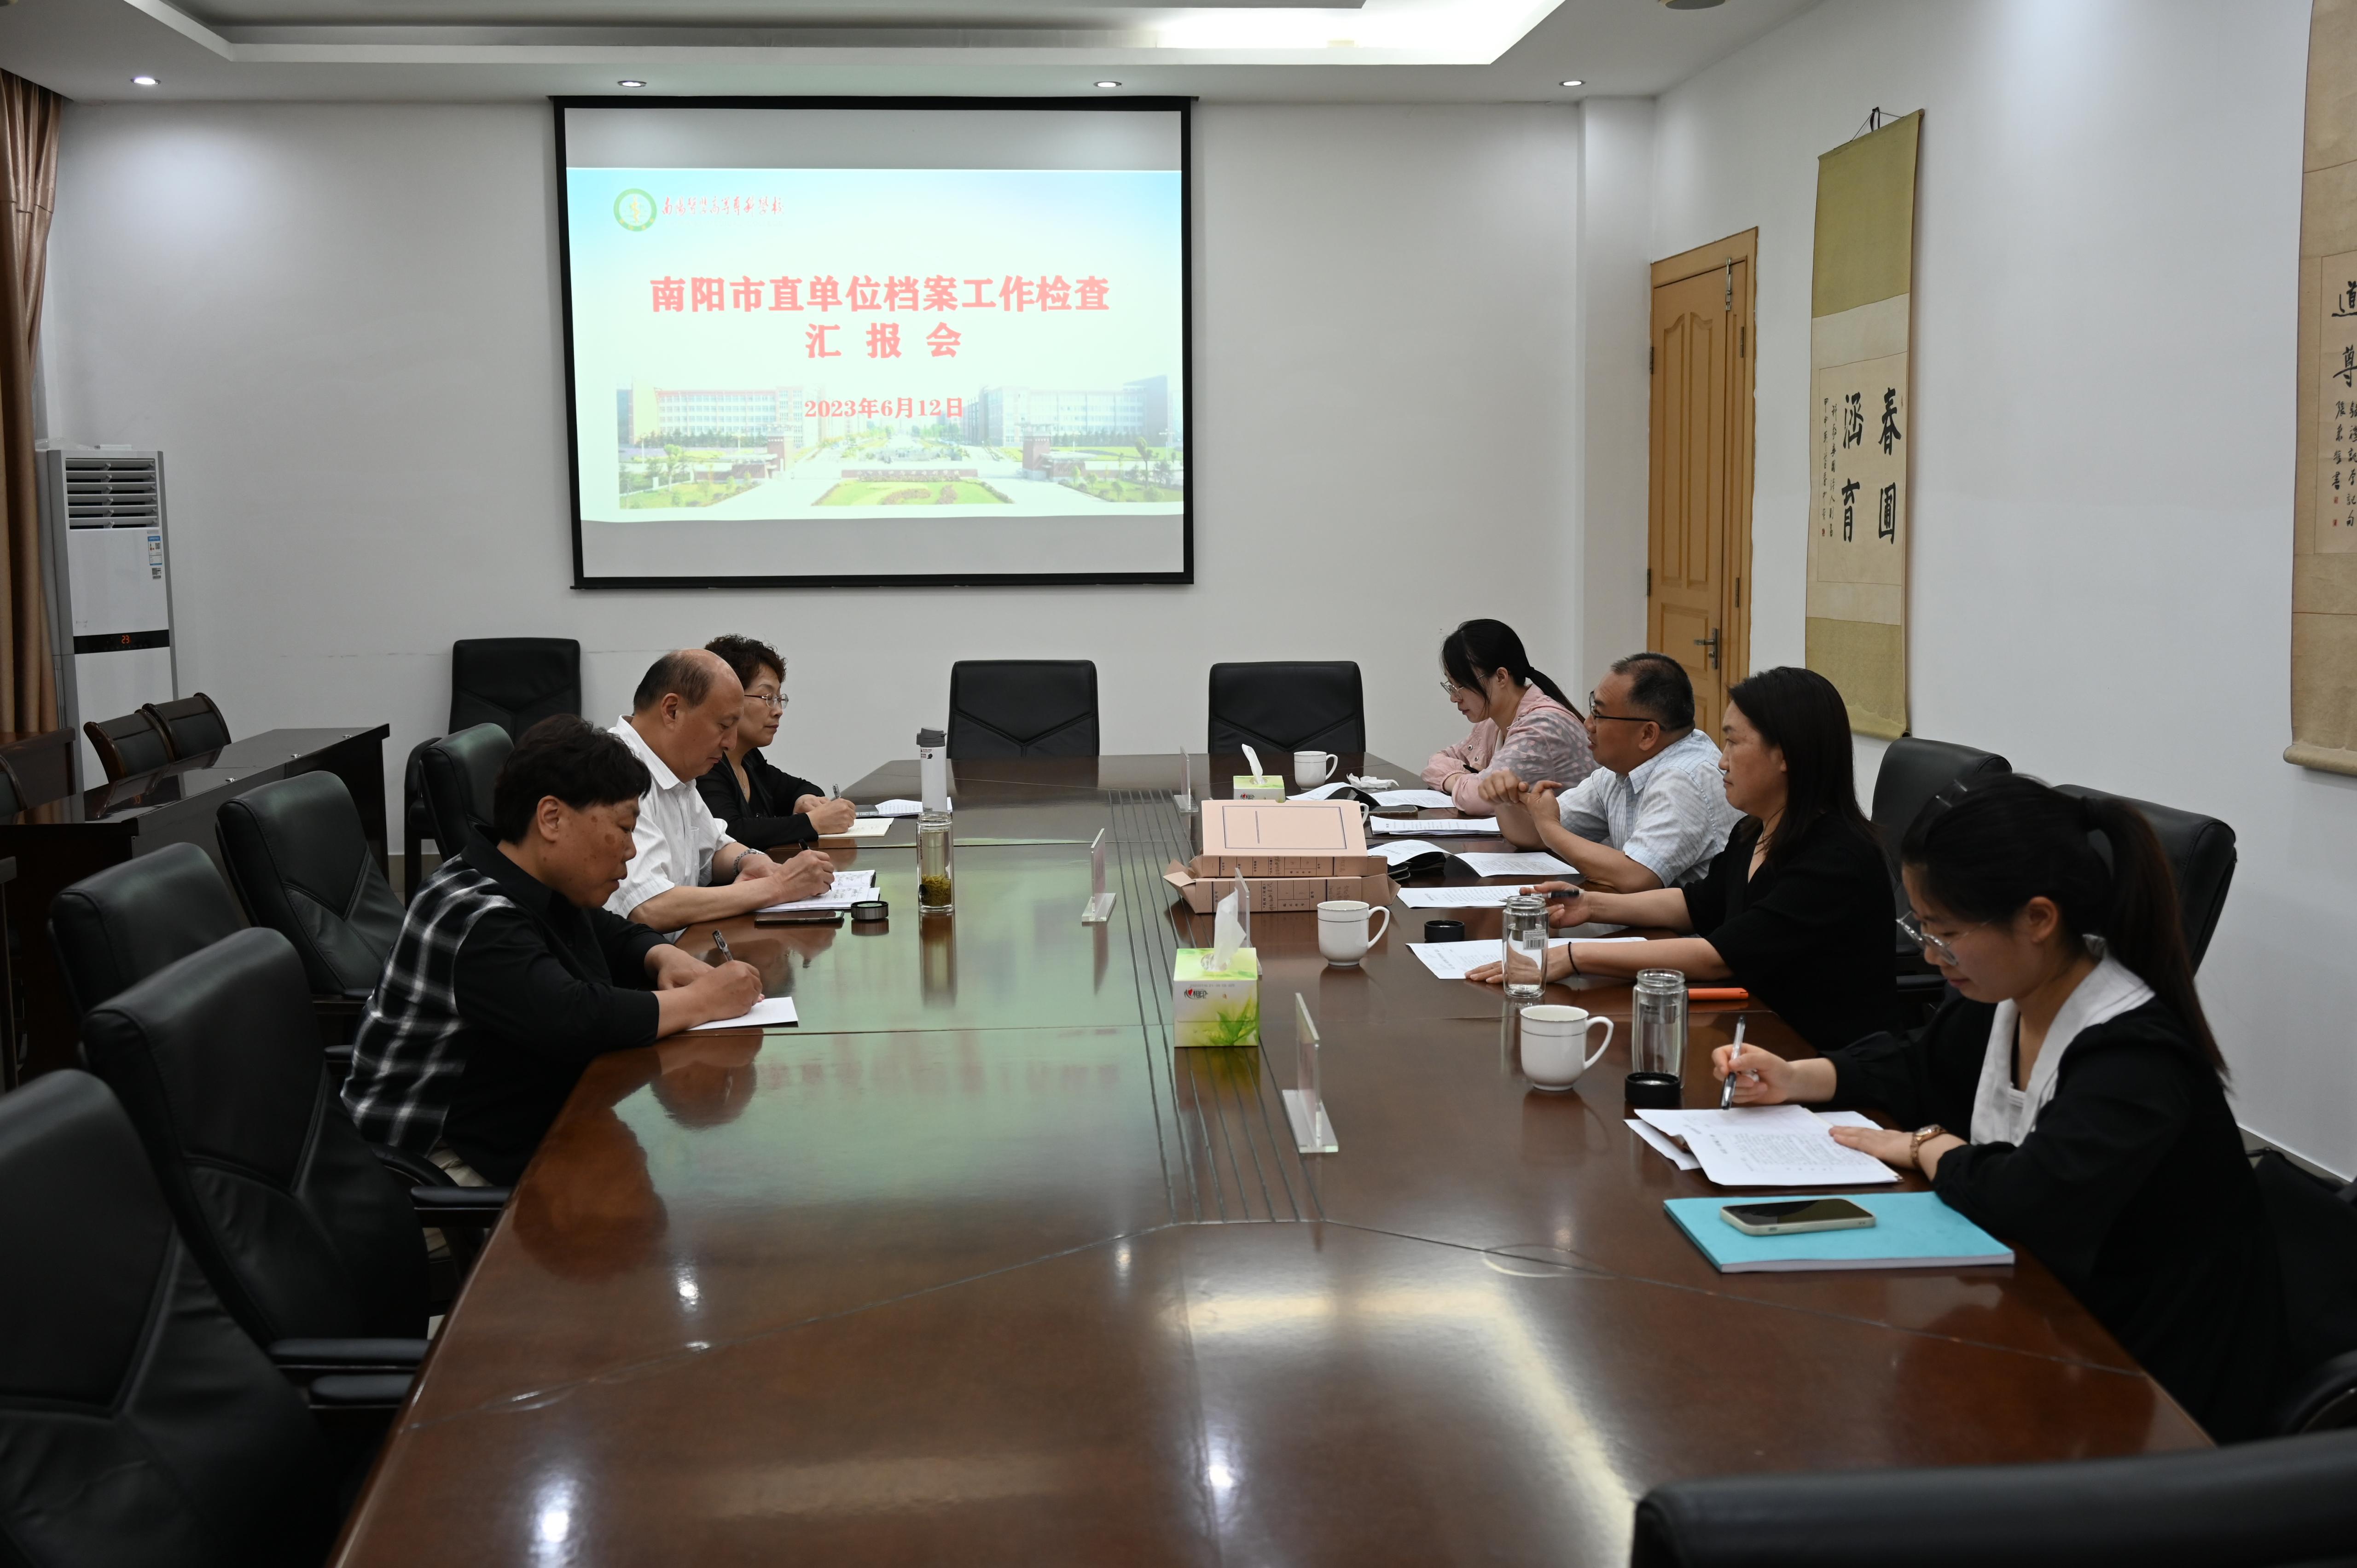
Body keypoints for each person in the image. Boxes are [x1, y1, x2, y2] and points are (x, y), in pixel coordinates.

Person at [1712, 775, 2286, 1440]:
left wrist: (1929, 1145)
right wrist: (1795, 1077)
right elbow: (1918, 1063)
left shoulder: (2134, 1057)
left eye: (1946, 931)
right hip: (2049, 1312)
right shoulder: (2016, 992)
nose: (1930, 953)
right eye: (1921, 926)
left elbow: (2026, 1202)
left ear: (2038, 919)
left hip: (2155, 1378)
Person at [343, 715, 768, 1185]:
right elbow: (574, 1018)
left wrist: (663, 956)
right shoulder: (475, 915)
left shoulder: (532, 878)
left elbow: (611, 933)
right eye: (624, 828)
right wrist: (703, 1000)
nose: (631, 851)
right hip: (431, 1167)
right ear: (552, 818)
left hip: (508, 1123)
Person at [1468, 665, 1893, 1051]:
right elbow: (1696, 903)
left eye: (1734, 742)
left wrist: (1575, 956)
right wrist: (1591, 905)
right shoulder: (1756, 830)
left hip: (1816, 1057)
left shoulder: (1835, 858)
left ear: (1784, 756)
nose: (1722, 761)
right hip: (1748, 1031)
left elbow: (1718, 956)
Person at [609, 648, 833, 935]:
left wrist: (752, 861)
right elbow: (649, 907)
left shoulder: (676, 768)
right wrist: (778, 886)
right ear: (672, 711)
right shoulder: (615, 772)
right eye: (724, 726)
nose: (731, 743)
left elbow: (714, 847)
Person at [1481, 651, 1739, 889]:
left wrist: (1549, 827)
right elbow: (1534, 837)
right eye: (1592, 709)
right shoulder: (1620, 770)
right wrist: (1505, 801)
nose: (1588, 724)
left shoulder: (1685, 778)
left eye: (1600, 715)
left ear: (1647, 734)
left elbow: (1637, 877)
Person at [697, 634, 856, 850]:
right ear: (730, 697)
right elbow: (730, 833)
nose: (778, 711)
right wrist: (813, 822)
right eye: (768, 698)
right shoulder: (705, 763)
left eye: (780, 699)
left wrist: (804, 800)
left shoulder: (749, 759)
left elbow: (801, 787)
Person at [1422, 619, 1595, 815]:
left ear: (1501, 677)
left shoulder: (1541, 727)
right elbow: (1436, 762)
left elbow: (1476, 799)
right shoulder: (1492, 723)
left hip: (1569, 836)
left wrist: (1455, 779)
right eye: (1451, 686)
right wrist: (1467, 779)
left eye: (1460, 686)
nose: (1454, 698)